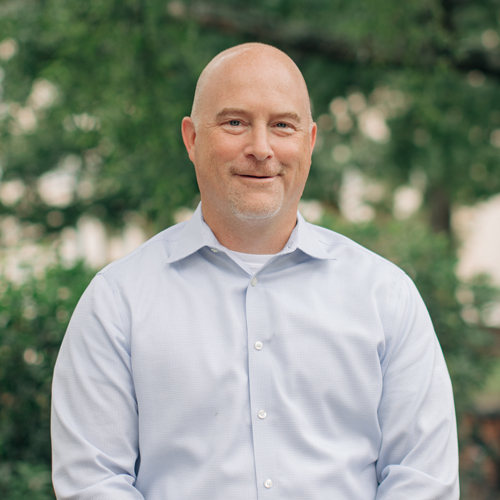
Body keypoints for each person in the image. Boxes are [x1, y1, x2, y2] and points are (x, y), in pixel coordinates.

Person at [51, 42, 459, 499]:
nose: (261, 148)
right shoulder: (117, 301)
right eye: (235, 123)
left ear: (309, 142)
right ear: (191, 138)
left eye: (282, 126)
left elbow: (422, 479)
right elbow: (94, 481)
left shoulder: (385, 296)